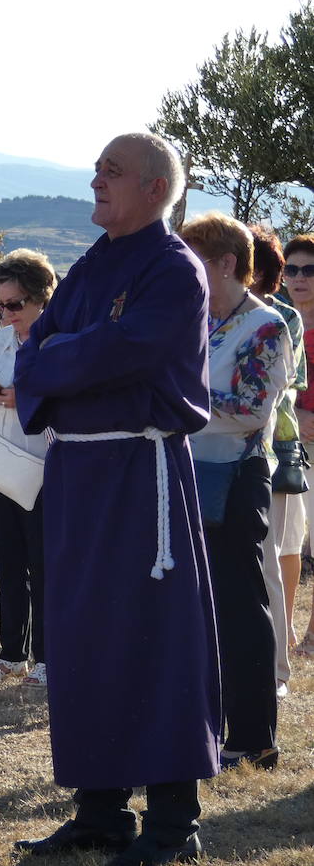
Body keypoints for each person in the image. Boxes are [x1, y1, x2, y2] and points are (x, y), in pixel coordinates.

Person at [13, 133, 219, 866]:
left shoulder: (175, 271)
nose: (95, 179)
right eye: (97, 167)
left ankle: (173, 822)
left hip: (141, 477)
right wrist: (72, 355)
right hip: (78, 479)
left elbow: (120, 350)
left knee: (154, 641)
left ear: (156, 188)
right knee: (82, 637)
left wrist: (68, 356)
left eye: (112, 170)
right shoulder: (92, 264)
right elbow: (35, 351)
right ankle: (100, 811)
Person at [180, 212, 288, 769]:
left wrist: (176, 399)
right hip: (186, 475)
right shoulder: (199, 320)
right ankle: (208, 729)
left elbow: (249, 412)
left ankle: (254, 736)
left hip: (235, 480)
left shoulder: (265, 327)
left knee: (240, 608)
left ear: (227, 264)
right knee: (200, 612)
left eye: (195, 261)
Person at [0, 250, 56, 689]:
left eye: (14, 304)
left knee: (42, 564)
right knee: (7, 562)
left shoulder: (59, 340)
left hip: (41, 463)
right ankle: (11, 654)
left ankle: (47, 657)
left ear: (42, 298)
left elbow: (70, 402)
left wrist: (27, 399)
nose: (5, 313)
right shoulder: (0, 338)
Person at [246, 224, 305, 697]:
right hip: (238, 455)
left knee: (275, 558)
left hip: (272, 452)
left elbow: (283, 389)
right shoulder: (213, 316)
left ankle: (277, 670)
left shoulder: (282, 318)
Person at [285, 234, 314, 654]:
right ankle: (285, 627)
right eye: (291, 269)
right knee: (287, 541)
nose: (298, 278)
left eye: (309, 270)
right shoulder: (274, 320)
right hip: (286, 446)